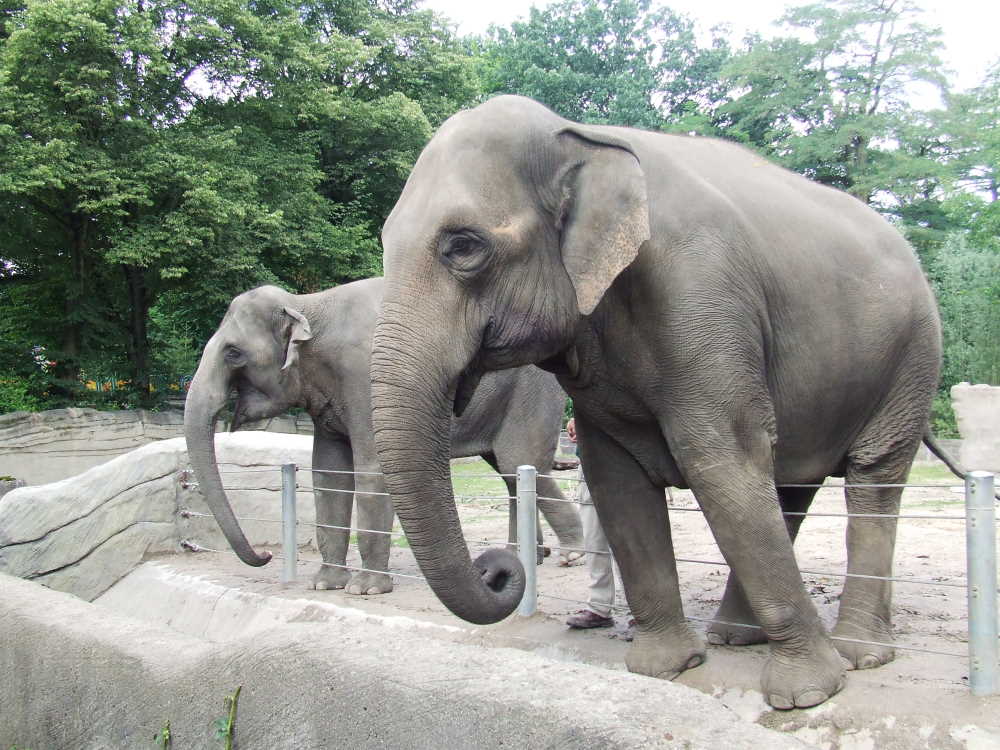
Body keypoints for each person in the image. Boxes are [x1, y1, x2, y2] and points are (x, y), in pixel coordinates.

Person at [563, 417, 625, 632]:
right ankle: (599, 608)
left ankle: (642, 609)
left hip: (626, 462)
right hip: (590, 462)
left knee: (631, 540)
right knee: (593, 539)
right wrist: (576, 421)